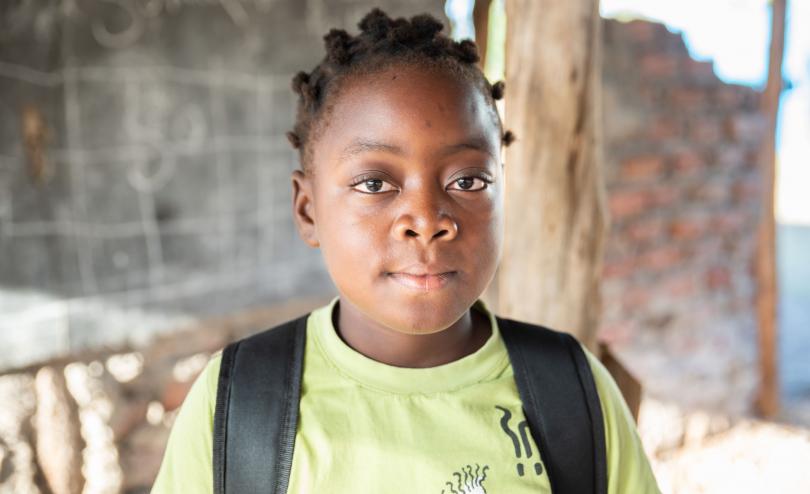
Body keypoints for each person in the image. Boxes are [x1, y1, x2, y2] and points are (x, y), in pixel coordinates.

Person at [152, 8, 660, 493]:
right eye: (375, 183)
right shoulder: (241, 403)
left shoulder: (569, 392)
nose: (426, 220)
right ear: (309, 211)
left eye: (468, 180)